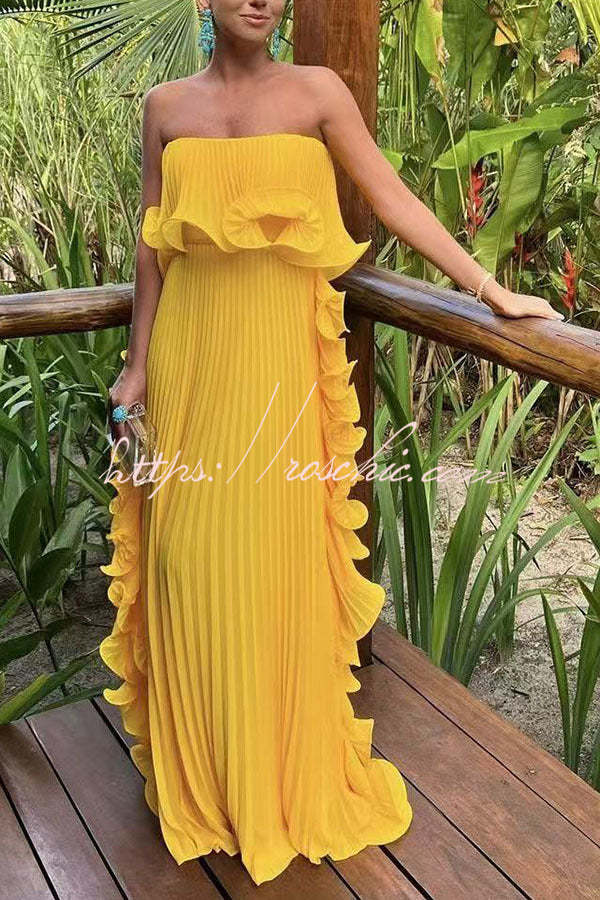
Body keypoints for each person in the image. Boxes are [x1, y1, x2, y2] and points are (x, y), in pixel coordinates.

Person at [101, 0, 564, 887]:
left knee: (272, 564)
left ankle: (275, 776)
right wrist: (137, 365)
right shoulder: (165, 106)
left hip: (278, 364)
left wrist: (490, 289)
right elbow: (153, 247)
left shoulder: (316, 92)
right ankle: (209, 774)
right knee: (186, 560)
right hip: (191, 359)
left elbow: (391, 197)